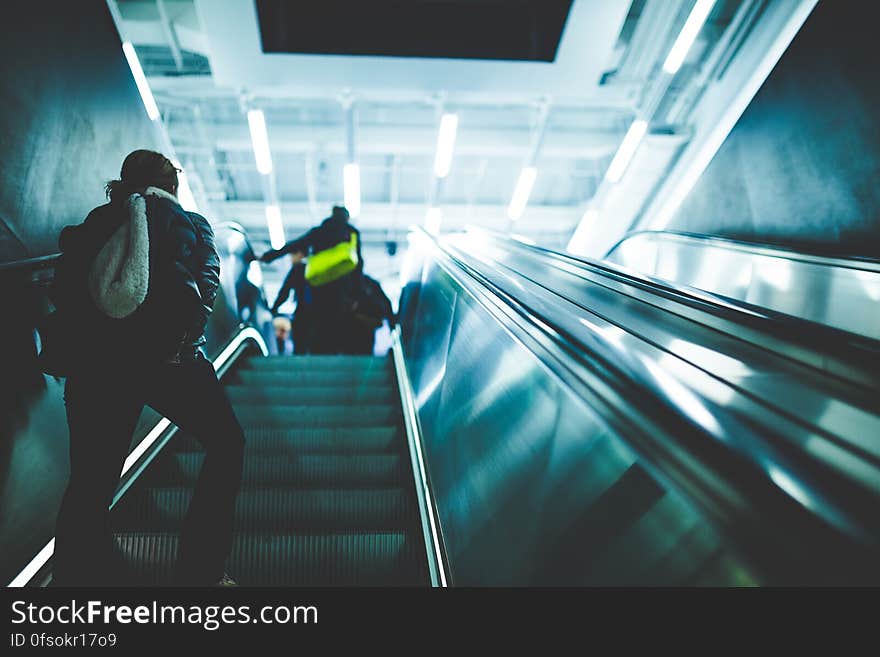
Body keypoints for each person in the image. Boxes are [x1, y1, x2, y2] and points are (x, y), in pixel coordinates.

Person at [51, 149, 245, 587]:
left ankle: (72, 588)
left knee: (90, 482)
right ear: (171, 184)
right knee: (228, 443)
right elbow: (205, 288)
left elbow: (67, 289)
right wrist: (179, 352)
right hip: (167, 365)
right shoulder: (191, 224)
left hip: (96, 367)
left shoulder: (99, 221)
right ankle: (201, 571)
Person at [260, 205, 363, 355]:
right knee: (334, 326)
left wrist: (268, 256)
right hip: (341, 289)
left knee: (318, 324)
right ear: (346, 218)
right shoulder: (352, 234)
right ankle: (330, 358)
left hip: (318, 285)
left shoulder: (319, 231)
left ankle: (316, 356)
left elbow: (295, 245)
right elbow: (358, 265)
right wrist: (356, 294)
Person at [269, 253, 314, 355]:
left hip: (302, 312)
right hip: (319, 314)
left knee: (300, 345)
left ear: (300, 254)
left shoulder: (298, 269)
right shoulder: (319, 267)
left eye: (292, 256)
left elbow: (284, 292)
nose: (291, 259)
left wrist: (273, 309)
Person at [347, 275, 396, 355]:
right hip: (351, 334)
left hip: (364, 335)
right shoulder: (368, 283)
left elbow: (386, 306)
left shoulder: (369, 284)